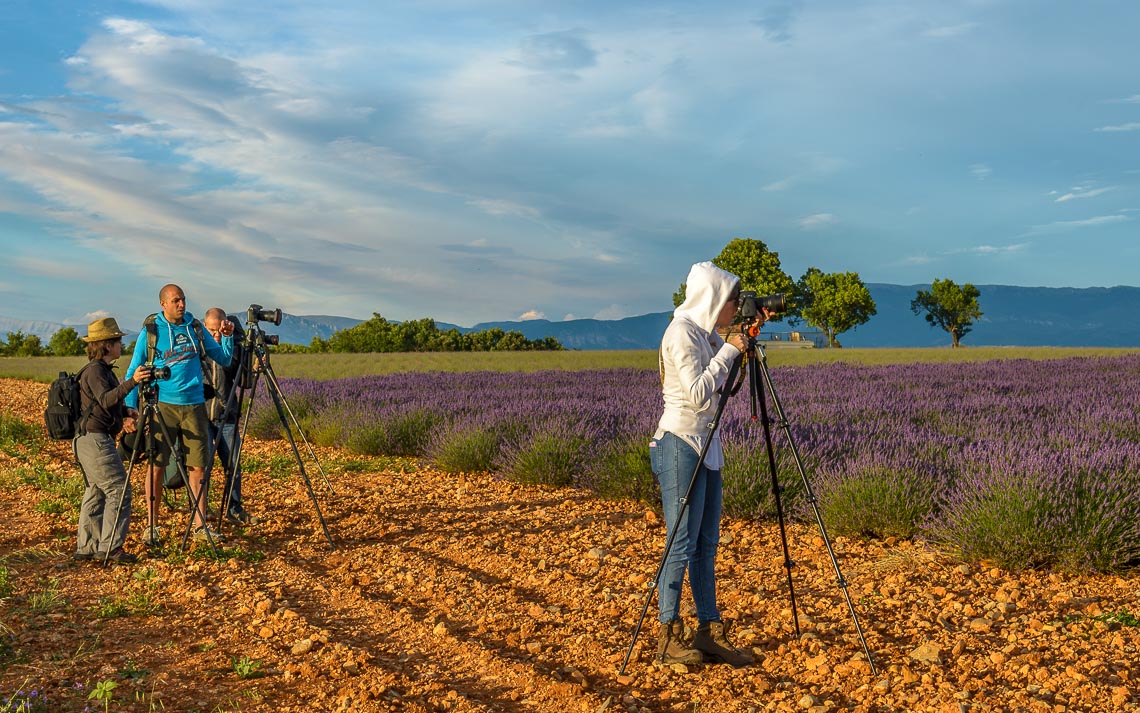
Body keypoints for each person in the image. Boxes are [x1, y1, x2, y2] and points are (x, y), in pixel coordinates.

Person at [650, 261, 768, 668]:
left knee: (706, 544)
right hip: (680, 443)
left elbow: (723, 384)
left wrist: (740, 344)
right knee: (680, 542)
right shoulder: (680, 333)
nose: (736, 309)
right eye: (732, 302)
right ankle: (668, 632)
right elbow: (700, 395)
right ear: (713, 299)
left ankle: (708, 629)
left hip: (707, 444)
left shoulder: (702, 334)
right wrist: (731, 348)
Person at [124, 284, 234, 545]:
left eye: (183, 299)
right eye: (176, 301)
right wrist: (129, 411)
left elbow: (224, 358)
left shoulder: (195, 327)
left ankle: (200, 526)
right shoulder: (150, 333)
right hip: (161, 405)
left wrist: (226, 337)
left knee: (198, 466)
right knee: (156, 465)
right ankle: (152, 526)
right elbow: (132, 371)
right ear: (163, 303)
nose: (182, 305)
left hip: (195, 405)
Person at [73, 317, 153, 564]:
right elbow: (106, 399)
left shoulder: (99, 370)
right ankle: (110, 548)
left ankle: (87, 547)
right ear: (107, 345)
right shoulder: (96, 371)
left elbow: (101, 405)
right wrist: (134, 381)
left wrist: (125, 412)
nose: (121, 344)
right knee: (119, 489)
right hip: (96, 440)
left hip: (87, 438)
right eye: (118, 340)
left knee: (96, 491)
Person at [202, 307, 258, 526]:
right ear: (204, 328)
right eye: (211, 331)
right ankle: (200, 511)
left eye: (219, 330)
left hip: (228, 414)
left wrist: (250, 364)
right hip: (202, 415)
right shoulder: (198, 349)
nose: (216, 335)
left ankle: (234, 509)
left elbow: (245, 382)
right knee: (201, 466)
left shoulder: (233, 349)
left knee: (233, 465)